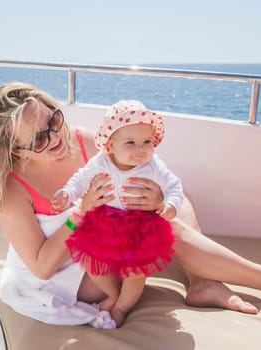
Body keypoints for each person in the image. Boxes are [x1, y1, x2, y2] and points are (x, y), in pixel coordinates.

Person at [0, 82, 261, 328]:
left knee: (177, 202)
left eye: (53, 120)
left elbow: (140, 180)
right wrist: (80, 212)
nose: (56, 138)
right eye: (39, 139)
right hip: (68, 274)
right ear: (15, 151)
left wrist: (155, 199)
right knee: (164, 227)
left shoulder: (85, 142)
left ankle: (204, 280)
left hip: (105, 235)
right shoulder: (11, 189)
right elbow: (42, 266)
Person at [51, 100, 184, 327]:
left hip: (140, 227)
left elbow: (174, 185)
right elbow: (81, 179)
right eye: (130, 142)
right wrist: (68, 193)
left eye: (147, 142)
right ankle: (111, 294)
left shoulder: (154, 165)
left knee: (135, 273)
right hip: (104, 223)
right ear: (111, 146)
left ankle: (122, 306)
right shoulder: (100, 162)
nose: (140, 149)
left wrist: (171, 205)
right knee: (91, 261)